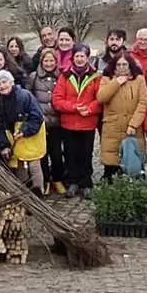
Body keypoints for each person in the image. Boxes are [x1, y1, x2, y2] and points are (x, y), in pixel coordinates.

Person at [52, 44, 101, 198]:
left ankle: (86, 183)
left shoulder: (96, 77)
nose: (80, 59)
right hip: (69, 123)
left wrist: (90, 108)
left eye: (82, 56)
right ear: (72, 58)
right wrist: (74, 107)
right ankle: (72, 182)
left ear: (88, 58)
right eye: (77, 56)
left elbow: (100, 99)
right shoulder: (64, 76)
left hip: (88, 123)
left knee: (86, 154)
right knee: (70, 153)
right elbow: (57, 100)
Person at [0, 70, 46, 194]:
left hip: (31, 134)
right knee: (19, 164)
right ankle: (23, 193)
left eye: (4, 82)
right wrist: (4, 145)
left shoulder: (25, 96)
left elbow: (37, 116)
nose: (2, 86)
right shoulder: (0, 101)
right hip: (14, 136)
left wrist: (25, 131)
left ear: (11, 82)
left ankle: (38, 192)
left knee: (34, 164)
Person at [96, 51, 147, 180]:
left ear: (130, 65)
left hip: (132, 128)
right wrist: (116, 82)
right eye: (118, 65)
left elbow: (143, 103)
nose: (122, 67)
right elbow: (101, 97)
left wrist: (134, 124)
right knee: (111, 164)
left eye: (125, 64)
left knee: (133, 162)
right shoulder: (106, 79)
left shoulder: (139, 80)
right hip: (112, 127)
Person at [27, 48, 66, 195]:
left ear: (56, 62)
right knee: (42, 155)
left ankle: (58, 179)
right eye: (46, 61)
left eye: (52, 61)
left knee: (56, 155)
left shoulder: (61, 77)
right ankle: (46, 180)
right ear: (41, 62)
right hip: (41, 123)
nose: (49, 63)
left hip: (57, 122)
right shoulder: (34, 77)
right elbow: (29, 98)